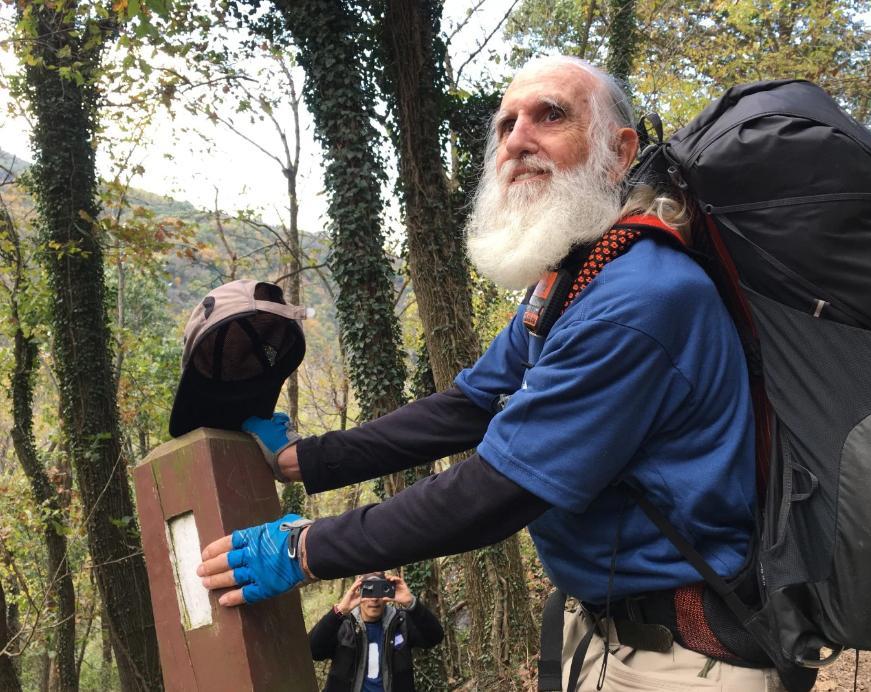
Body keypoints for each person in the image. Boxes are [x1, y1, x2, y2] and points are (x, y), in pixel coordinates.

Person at [198, 55, 781, 690]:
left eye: (550, 115)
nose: (517, 139)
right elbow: (468, 404)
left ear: (619, 151)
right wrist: (306, 461)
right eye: (505, 124)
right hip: (603, 632)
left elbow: (500, 489)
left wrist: (304, 549)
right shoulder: (570, 280)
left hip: (683, 659)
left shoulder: (640, 298)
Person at [309, 573, 443, 692]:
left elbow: (435, 637)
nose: (374, 599)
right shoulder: (343, 625)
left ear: (387, 591)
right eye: (368, 590)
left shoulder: (401, 623)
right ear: (358, 591)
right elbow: (312, 651)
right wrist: (339, 611)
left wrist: (411, 603)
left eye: (379, 589)